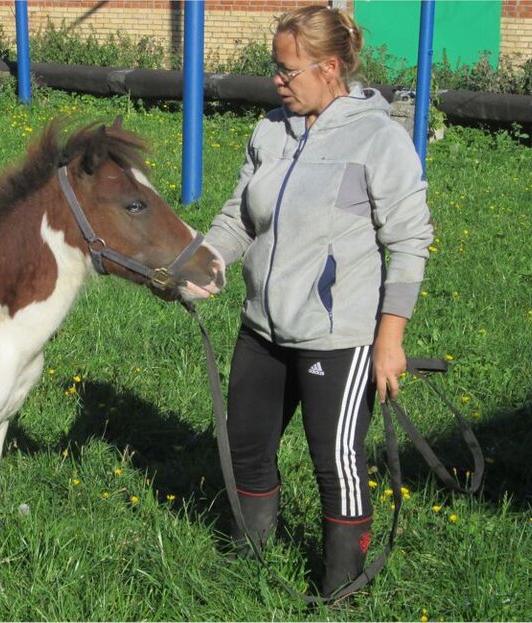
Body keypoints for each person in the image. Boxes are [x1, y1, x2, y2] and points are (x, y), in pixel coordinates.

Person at [203, 5, 434, 598]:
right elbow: (239, 216)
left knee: (335, 463)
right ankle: (245, 571)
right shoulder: (270, 131)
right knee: (247, 448)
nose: (276, 81)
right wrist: (203, 262)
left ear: (330, 68)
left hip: (341, 335)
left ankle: (342, 589)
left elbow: (408, 242)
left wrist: (389, 341)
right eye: (274, 69)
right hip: (261, 328)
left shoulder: (378, 138)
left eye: (288, 70)